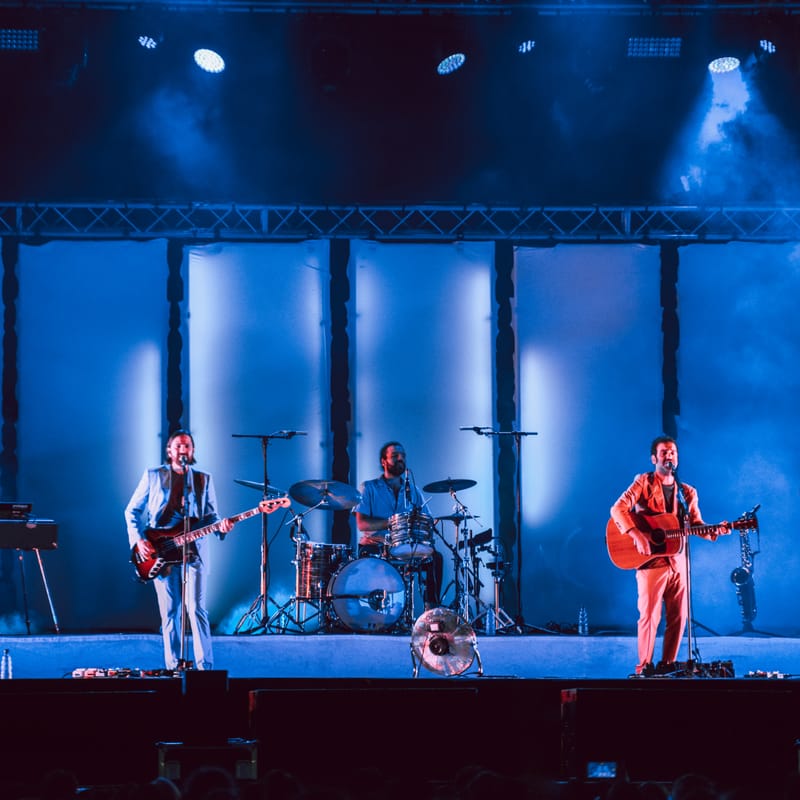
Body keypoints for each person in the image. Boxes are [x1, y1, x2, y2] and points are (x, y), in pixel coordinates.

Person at [610, 435, 727, 676]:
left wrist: (716, 530)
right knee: (650, 615)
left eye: (672, 452)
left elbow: (696, 524)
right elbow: (617, 509)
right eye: (664, 452)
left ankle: (667, 666)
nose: (669, 455)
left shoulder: (687, 492)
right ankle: (644, 666)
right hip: (652, 561)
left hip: (678, 561)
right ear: (654, 458)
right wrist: (637, 535)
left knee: (679, 617)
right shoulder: (643, 482)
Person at [125, 429, 233, 671]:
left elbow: (212, 516)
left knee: (197, 608)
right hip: (160, 550)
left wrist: (222, 527)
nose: (183, 449)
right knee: (171, 612)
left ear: (192, 451)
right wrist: (138, 540)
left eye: (187, 446)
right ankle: (174, 665)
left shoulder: (203, 479)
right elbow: (131, 511)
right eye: (178, 446)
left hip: (193, 551)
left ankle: (205, 667)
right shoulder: (153, 476)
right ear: (169, 451)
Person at [354, 441, 443, 611]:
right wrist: (395, 522)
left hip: (405, 548)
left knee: (435, 558)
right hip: (375, 547)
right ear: (383, 461)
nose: (400, 459)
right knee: (371, 556)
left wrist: (426, 524)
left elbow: (429, 519)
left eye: (403, 456)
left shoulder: (413, 490)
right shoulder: (369, 488)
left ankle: (430, 613)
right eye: (395, 456)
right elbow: (362, 524)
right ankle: (374, 611)